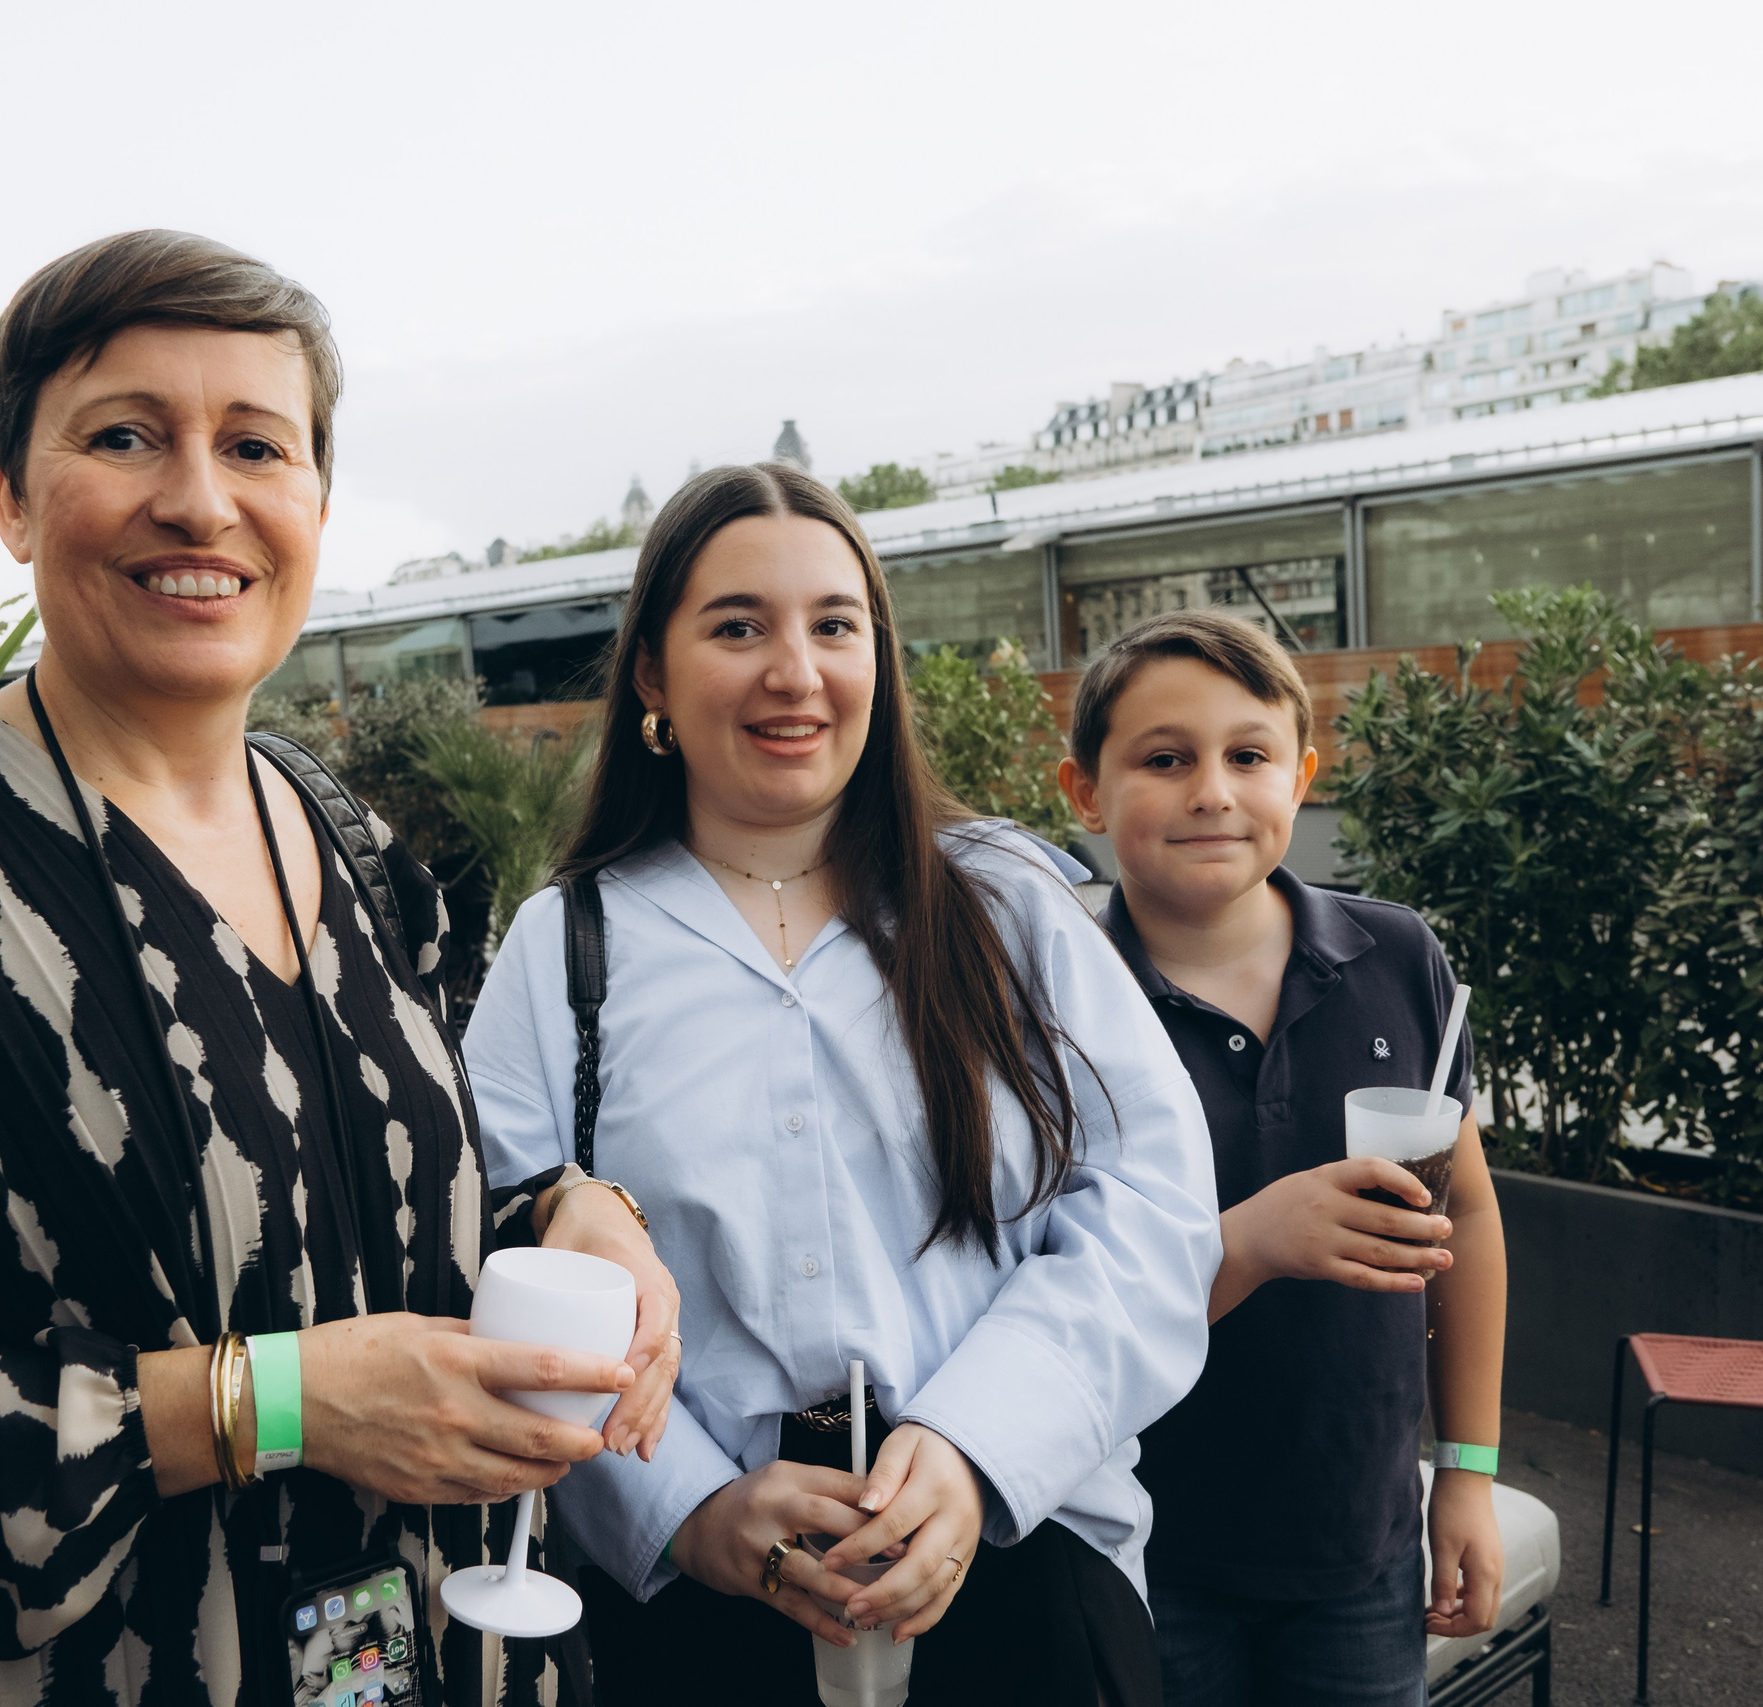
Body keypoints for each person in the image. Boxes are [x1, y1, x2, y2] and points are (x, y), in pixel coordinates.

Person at [0, 230, 681, 1706]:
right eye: (125, 434)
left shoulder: (353, 840)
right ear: (11, 497)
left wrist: (582, 1211)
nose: (201, 498)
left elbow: (361, 1219)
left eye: (258, 444)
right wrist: (256, 1404)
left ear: (316, 501)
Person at [461, 463, 1221, 1706]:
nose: (795, 673)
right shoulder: (564, 948)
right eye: (736, 626)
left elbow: (1150, 1206)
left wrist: (977, 1447)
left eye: (833, 625)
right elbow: (506, 1270)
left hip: (1025, 1574)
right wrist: (690, 1509)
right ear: (651, 674)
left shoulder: (1003, 901)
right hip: (700, 1623)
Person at [1057, 610, 1509, 1707]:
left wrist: (1468, 1473)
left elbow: (1475, 1225)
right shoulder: (1059, 1002)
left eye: (1247, 755)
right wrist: (1246, 1245)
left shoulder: (1395, 955)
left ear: (1299, 776)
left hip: (1360, 1543)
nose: (1212, 790)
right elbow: (1046, 1298)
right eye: (1165, 758)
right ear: (1083, 792)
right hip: (1137, 1545)